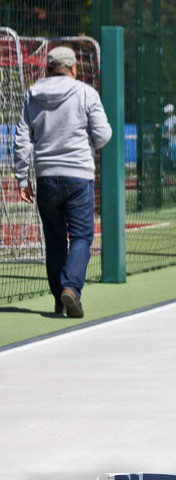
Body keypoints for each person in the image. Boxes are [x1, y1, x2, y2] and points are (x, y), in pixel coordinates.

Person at [14, 46, 112, 318]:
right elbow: (103, 135)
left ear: (47, 68)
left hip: (45, 176)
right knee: (81, 236)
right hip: (78, 175)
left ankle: (60, 300)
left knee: (55, 240)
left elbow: (22, 138)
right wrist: (88, 141)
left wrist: (22, 178)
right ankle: (71, 288)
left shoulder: (32, 94)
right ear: (74, 68)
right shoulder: (85, 93)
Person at [162, 103, 176, 170]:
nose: (167, 113)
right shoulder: (166, 121)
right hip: (168, 141)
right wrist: (166, 134)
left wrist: (171, 132)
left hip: (175, 140)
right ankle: (172, 167)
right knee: (170, 155)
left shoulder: (175, 118)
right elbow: (165, 131)